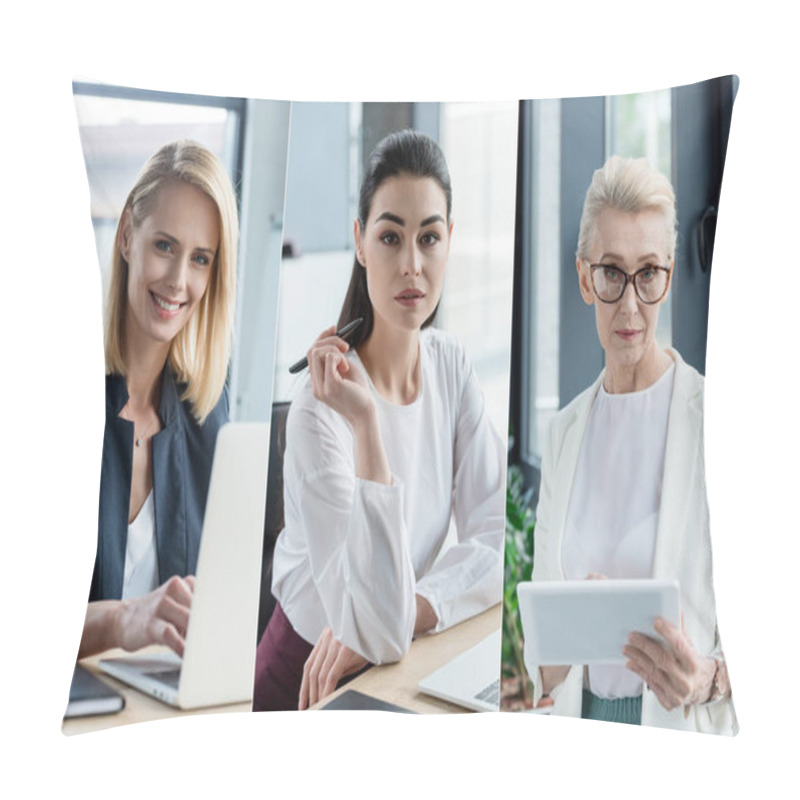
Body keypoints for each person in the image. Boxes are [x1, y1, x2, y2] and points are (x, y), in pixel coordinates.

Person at [253, 130, 505, 711]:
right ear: (361, 244)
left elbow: (496, 543)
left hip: (389, 665)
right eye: (390, 237)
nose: (412, 265)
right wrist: (367, 424)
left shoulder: (451, 365)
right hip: (303, 676)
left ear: (449, 242)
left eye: (429, 237)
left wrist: (414, 607)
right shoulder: (320, 410)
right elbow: (371, 625)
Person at [525, 155, 737, 734]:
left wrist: (710, 678)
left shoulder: (717, 424)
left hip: (681, 736)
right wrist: (567, 634)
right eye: (611, 272)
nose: (630, 304)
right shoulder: (564, 433)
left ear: (667, 274)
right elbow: (543, 662)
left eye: (648, 273)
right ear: (583, 277)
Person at [78, 140, 238, 660]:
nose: (177, 281)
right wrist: (123, 620)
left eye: (200, 259)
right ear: (127, 236)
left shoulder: (209, 419)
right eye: (164, 246)